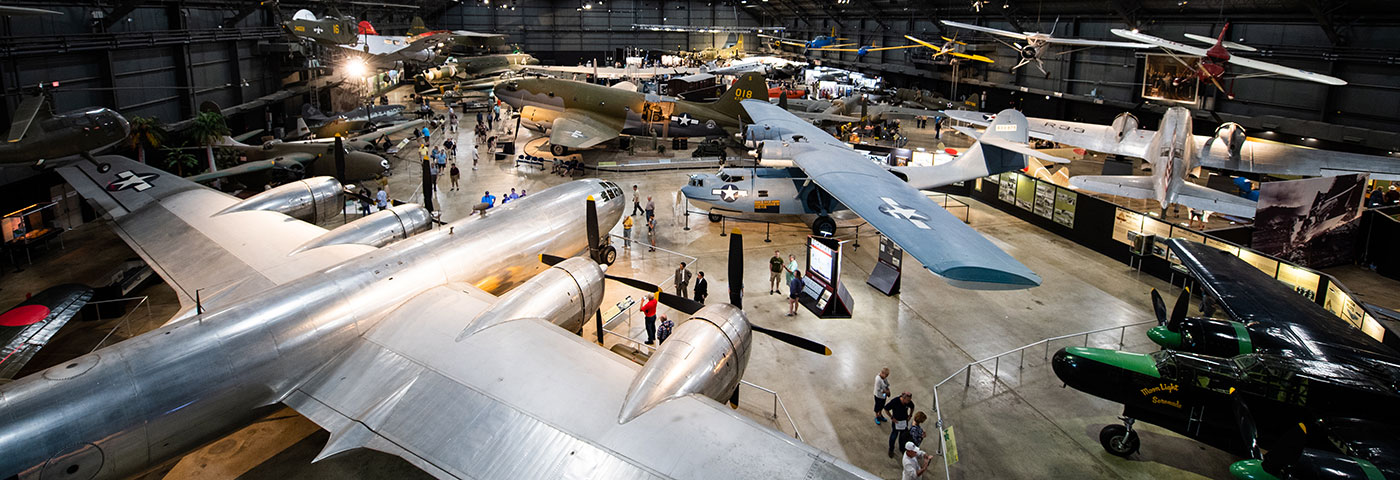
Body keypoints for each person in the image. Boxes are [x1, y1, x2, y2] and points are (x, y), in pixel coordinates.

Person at [884, 392, 915, 458]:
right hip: (896, 422)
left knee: (903, 436)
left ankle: (902, 448)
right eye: (908, 400)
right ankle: (891, 449)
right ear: (903, 398)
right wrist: (892, 417)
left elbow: (912, 407)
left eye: (910, 400)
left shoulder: (909, 402)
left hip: (904, 422)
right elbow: (886, 408)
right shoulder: (895, 401)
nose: (909, 401)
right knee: (893, 436)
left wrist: (910, 415)